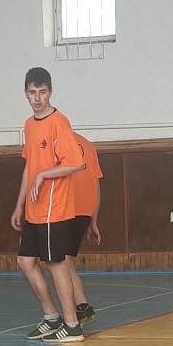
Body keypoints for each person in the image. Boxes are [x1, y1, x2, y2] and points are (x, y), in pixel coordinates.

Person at [11, 67, 86, 343]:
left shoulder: (59, 122)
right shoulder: (29, 125)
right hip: (34, 209)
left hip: (55, 207)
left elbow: (76, 163)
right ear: (25, 93)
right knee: (25, 261)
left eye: (42, 92)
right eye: (32, 92)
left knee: (56, 264)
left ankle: (72, 324)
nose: (37, 98)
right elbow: (29, 166)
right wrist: (19, 205)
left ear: (50, 92)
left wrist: (44, 175)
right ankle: (51, 317)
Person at [66, 131, 103, 325]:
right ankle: (81, 307)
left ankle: (79, 309)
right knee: (66, 259)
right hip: (85, 211)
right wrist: (93, 220)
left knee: (61, 261)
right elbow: (96, 185)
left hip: (65, 209)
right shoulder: (88, 144)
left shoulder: (56, 142)